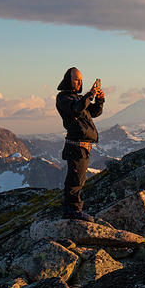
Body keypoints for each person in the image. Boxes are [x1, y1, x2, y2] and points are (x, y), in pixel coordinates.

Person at [55, 67, 105, 220]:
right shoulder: (63, 98)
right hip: (75, 146)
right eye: (76, 79)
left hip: (83, 146)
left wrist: (100, 100)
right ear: (67, 80)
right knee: (75, 180)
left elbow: (93, 113)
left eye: (80, 80)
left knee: (80, 179)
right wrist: (89, 95)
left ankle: (73, 210)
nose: (79, 83)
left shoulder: (78, 98)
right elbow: (76, 110)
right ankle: (73, 211)